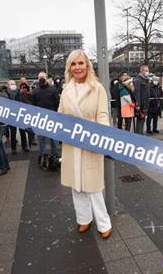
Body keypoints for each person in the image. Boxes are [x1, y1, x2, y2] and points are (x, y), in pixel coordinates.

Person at [58, 49, 112, 239]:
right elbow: (60, 114)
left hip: (92, 142)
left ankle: (104, 223)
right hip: (72, 145)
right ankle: (83, 219)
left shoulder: (97, 88)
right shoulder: (65, 90)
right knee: (76, 186)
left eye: (81, 63)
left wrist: (103, 138)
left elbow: (103, 115)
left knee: (93, 186)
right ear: (69, 68)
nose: (77, 67)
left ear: (87, 65)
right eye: (73, 64)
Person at [32, 71, 60, 157]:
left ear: (46, 78)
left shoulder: (53, 90)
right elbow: (34, 105)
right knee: (41, 139)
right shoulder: (35, 91)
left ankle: (55, 155)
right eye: (40, 77)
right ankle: (43, 156)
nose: (41, 79)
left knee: (53, 139)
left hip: (52, 118)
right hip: (41, 119)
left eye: (43, 77)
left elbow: (57, 103)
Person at [14, 82, 35, 152]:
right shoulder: (18, 95)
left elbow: (33, 103)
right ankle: (24, 146)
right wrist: (19, 93)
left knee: (30, 130)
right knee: (22, 132)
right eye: (22, 88)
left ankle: (31, 141)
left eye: (25, 87)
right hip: (21, 116)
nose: (24, 89)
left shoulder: (30, 95)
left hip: (29, 115)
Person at [133, 65, 150, 134]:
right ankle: (138, 135)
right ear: (142, 71)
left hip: (145, 103)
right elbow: (136, 93)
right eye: (146, 71)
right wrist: (138, 104)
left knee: (142, 120)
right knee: (140, 120)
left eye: (148, 70)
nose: (147, 72)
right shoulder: (137, 80)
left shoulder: (146, 79)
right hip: (141, 104)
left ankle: (140, 134)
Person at [6, 79, 19, 154]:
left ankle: (25, 146)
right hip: (11, 115)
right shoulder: (6, 93)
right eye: (11, 84)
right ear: (8, 85)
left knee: (22, 131)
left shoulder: (18, 91)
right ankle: (13, 148)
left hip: (19, 114)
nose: (13, 85)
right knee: (13, 133)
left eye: (14, 84)